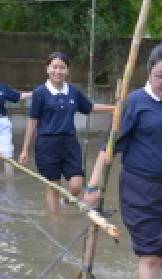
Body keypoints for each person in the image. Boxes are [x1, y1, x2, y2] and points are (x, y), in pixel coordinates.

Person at [83, 42, 162, 279]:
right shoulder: (134, 102)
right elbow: (109, 148)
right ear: (149, 74)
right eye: (161, 76)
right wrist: (93, 185)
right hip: (141, 191)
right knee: (150, 255)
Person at [19, 52, 115, 214]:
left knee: (76, 185)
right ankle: (55, 220)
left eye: (62, 67)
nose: (58, 71)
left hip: (70, 144)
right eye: (54, 67)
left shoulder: (73, 92)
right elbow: (32, 120)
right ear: (47, 69)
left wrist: (114, 108)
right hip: (47, 145)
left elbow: (89, 107)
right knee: (53, 185)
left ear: (67, 71)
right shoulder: (40, 93)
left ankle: (64, 202)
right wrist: (25, 149)